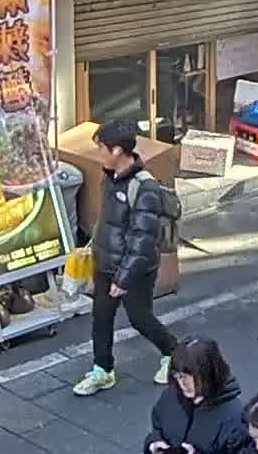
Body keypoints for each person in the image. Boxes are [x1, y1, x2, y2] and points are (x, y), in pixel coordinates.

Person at [74, 117, 182, 396]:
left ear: (117, 150)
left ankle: (174, 353)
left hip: (135, 270)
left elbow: (142, 239)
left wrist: (123, 278)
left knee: (140, 317)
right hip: (105, 262)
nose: (98, 153)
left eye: (101, 148)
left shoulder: (144, 187)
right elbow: (108, 221)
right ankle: (102, 370)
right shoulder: (109, 177)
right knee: (101, 318)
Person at [146, 338, 250, 454]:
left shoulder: (236, 418)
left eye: (188, 376)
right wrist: (154, 444)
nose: (182, 383)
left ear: (210, 374)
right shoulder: (170, 397)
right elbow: (157, 428)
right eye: (177, 376)